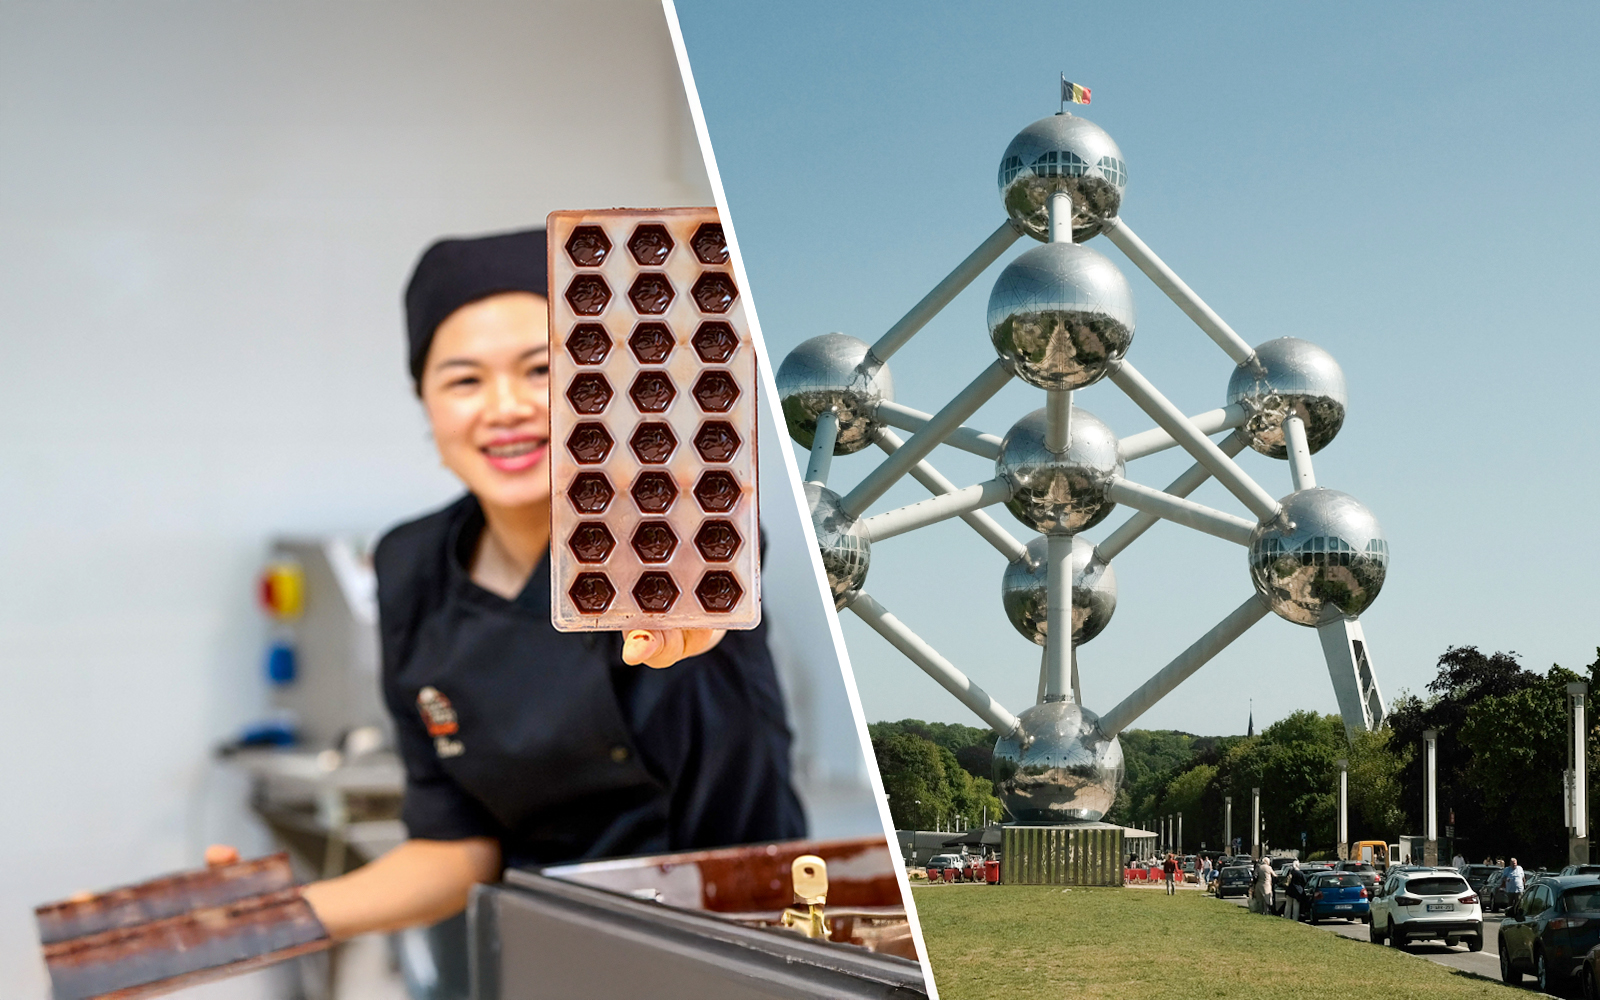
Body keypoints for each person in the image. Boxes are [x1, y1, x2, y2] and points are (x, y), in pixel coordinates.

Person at [207, 228, 805, 943]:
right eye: (464, 379)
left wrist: (695, 614)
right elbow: (457, 846)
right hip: (551, 954)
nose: (506, 406)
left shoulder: (665, 515)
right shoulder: (411, 566)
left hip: (749, 943)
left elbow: (707, 556)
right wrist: (264, 920)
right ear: (425, 404)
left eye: (540, 370)